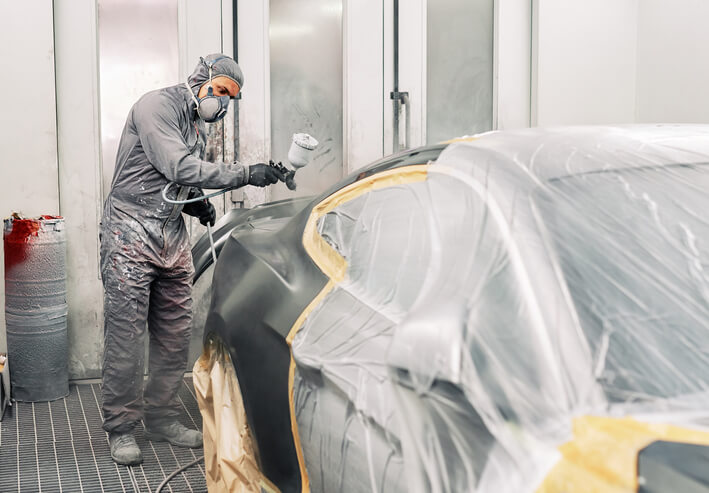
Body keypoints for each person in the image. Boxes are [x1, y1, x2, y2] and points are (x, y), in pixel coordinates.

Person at [99, 53, 283, 466]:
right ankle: (122, 427)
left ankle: (161, 416)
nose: (221, 103)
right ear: (200, 81)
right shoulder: (156, 107)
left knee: (175, 331)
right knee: (127, 336)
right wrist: (244, 173)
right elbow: (177, 166)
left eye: (230, 98)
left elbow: (172, 181)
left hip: (169, 236)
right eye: (219, 92)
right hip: (128, 231)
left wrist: (193, 207)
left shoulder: (198, 126)